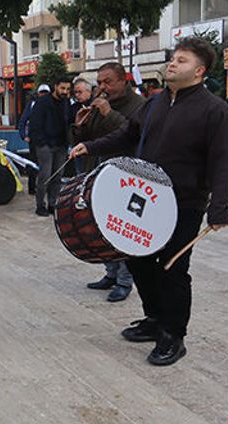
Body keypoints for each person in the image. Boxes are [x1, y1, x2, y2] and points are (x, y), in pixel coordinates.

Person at [70, 37, 228, 366]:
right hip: (145, 197)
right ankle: (155, 318)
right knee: (138, 260)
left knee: (173, 269)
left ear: (200, 71)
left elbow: (224, 161)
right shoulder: (155, 103)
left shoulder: (215, 109)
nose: (173, 63)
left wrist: (220, 207)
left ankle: (174, 335)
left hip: (185, 203)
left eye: (183, 60)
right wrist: (91, 146)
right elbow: (128, 135)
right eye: (173, 58)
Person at [71, 63, 146, 302]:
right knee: (100, 227)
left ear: (123, 80)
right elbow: (88, 139)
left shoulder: (140, 105)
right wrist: (80, 125)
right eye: (100, 82)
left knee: (121, 230)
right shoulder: (98, 103)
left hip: (126, 178)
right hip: (98, 173)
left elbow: (132, 136)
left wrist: (107, 113)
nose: (102, 87)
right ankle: (110, 273)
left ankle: (125, 280)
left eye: (108, 82)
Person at [29, 77, 71, 217]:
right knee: (45, 176)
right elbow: (34, 124)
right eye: (62, 88)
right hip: (46, 145)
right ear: (55, 86)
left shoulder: (66, 103)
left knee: (57, 176)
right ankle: (40, 205)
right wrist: (41, 142)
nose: (65, 92)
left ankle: (53, 204)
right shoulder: (42, 103)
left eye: (67, 89)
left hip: (61, 145)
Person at [18, 85, 51, 194]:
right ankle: (32, 188)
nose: (44, 95)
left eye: (46, 93)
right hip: (35, 140)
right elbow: (22, 121)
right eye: (42, 93)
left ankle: (46, 187)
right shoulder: (32, 105)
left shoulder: (53, 105)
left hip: (48, 140)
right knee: (33, 164)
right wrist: (24, 135)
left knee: (47, 165)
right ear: (38, 93)